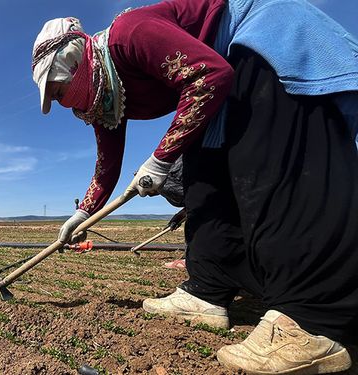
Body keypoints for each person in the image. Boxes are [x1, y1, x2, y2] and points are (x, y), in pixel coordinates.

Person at [31, 0, 358, 373]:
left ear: (75, 62)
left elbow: (208, 76)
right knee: (202, 181)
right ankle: (207, 290)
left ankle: (313, 320)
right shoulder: (105, 99)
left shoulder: (128, 34)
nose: (59, 103)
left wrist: (159, 158)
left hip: (256, 46)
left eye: (56, 91)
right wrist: (82, 213)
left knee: (267, 168)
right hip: (222, 86)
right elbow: (107, 165)